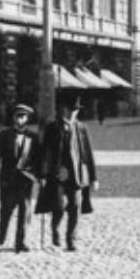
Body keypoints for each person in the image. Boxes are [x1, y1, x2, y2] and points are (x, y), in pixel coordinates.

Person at [37, 96, 98, 252]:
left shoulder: (81, 128)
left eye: (75, 110)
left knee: (75, 207)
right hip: (57, 174)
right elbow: (44, 153)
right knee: (58, 206)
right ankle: (55, 229)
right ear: (64, 110)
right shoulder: (52, 128)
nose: (72, 113)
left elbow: (88, 154)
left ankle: (71, 240)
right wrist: (42, 175)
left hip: (76, 174)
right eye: (70, 110)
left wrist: (93, 178)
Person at [0, 101, 40, 253]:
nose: (20, 119)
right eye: (17, 116)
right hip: (8, 179)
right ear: (13, 117)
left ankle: (20, 242)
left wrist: (41, 176)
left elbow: (38, 159)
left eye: (23, 116)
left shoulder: (33, 137)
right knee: (6, 210)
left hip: (25, 180)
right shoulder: (4, 135)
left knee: (25, 211)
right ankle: (2, 230)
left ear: (27, 118)